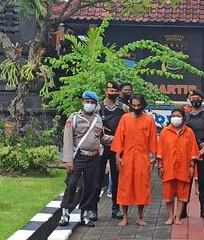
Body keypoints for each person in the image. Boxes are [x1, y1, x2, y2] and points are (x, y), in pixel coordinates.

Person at [59, 91, 112, 227]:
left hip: (94, 158)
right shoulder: (74, 117)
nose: (89, 104)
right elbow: (68, 139)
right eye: (87, 102)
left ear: (95, 105)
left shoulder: (98, 119)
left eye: (92, 103)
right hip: (78, 157)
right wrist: (68, 160)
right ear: (82, 102)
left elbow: (102, 138)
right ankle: (65, 214)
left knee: (91, 186)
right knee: (71, 184)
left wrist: (119, 139)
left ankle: (85, 215)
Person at [111, 94, 157, 226]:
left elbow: (153, 140)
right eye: (134, 105)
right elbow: (119, 138)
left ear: (143, 105)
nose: (136, 108)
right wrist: (117, 157)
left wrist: (153, 156)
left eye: (138, 105)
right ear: (131, 105)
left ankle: (139, 217)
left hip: (142, 158)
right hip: (127, 157)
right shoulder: (125, 118)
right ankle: (125, 217)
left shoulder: (149, 120)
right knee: (125, 186)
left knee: (142, 186)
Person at [157, 107, 199, 225]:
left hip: (184, 168)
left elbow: (193, 150)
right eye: (173, 116)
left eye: (178, 116)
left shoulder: (189, 132)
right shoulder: (165, 131)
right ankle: (170, 217)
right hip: (168, 167)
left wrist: (192, 166)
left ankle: (178, 217)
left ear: (183, 118)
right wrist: (160, 166)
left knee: (182, 192)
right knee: (168, 193)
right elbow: (160, 150)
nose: (175, 118)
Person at [92, 80, 128, 221]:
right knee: (97, 178)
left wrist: (119, 141)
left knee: (118, 179)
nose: (112, 93)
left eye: (115, 91)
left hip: (118, 149)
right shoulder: (98, 107)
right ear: (105, 92)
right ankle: (93, 210)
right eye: (110, 91)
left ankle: (116, 208)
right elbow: (95, 129)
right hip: (101, 147)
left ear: (118, 92)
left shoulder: (124, 108)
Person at [185, 89, 204, 219]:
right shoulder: (186, 115)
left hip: (203, 152)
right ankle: (183, 209)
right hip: (188, 153)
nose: (195, 100)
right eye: (192, 98)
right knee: (185, 181)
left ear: (201, 99)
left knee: (203, 182)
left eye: (197, 98)